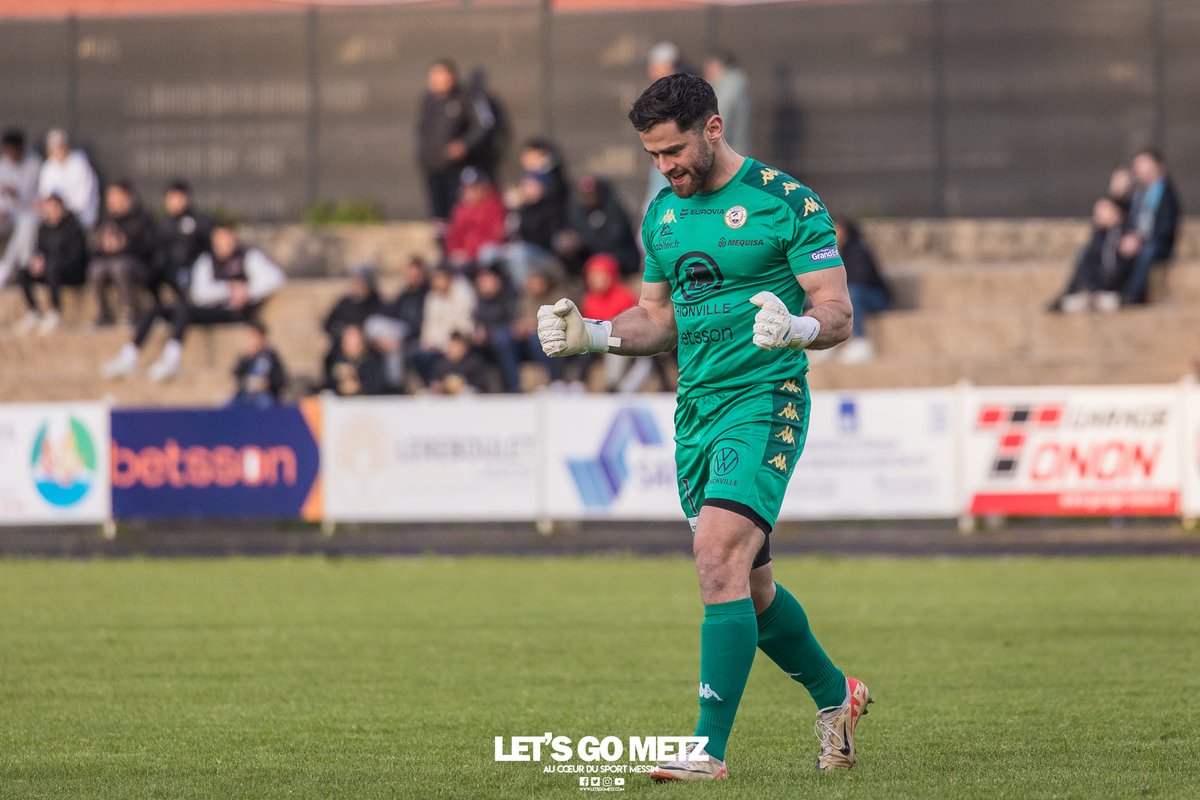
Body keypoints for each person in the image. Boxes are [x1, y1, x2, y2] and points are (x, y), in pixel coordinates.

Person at [536, 73, 870, 781]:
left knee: (717, 556)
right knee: (751, 591)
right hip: (696, 413)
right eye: (653, 156)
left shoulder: (787, 203)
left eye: (674, 151)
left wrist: (800, 328)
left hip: (765, 400)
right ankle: (835, 693)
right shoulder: (662, 214)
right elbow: (656, 319)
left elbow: (838, 311)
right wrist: (591, 336)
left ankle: (706, 750)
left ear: (713, 129)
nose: (666, 167)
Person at [103, 222, 285, 382]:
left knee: (185, 310)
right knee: (157, 309)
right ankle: (130, 354)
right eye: (218, 240)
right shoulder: (207, 260)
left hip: (232, 312)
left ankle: (172, 357)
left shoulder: (248, 257)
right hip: (209, 308)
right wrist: (228, 288)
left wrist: (248, 291)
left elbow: (275, 278)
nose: (222, 244)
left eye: (226, 239)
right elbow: (199, 292)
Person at [416, 59, 484, 222]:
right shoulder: (428, 101)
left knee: (458, 212)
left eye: (443, 78)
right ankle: (443, 245)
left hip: (457, 168)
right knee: (438, 215)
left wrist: (464, 144)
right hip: (432, 166)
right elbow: (422, 131)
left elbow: (483, 126)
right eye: (435, 78)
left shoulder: (465, 99)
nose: (439, 82)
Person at [13, 194, 88, 335]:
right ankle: (33, 311)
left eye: (53, 208)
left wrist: (50, 261)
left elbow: (76, 256)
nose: (49, 212)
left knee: (52, 267)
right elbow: (39, 249)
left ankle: (55, 312)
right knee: (24, 271)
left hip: (71, 271)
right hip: (49, 268)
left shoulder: (73, 227)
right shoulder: (43, 227)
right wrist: (37, 261)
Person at [87, 180, 157, 326]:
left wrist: (125, 244)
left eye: (116, 197)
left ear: (127, 198)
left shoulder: (142, 217)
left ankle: (131, 311)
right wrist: (103, 245)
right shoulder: (106, 220)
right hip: (108, 263)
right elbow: (93, 245)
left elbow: (150, 247)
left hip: (139, 266)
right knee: (96, 268)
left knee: (120, 267)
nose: (112, 201)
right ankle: (104, 313)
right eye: (110, 197)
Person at [1049, 197, 1132, 314]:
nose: (1098, 213)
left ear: (1116, 211)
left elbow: (1116, 267)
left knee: (1107, 302)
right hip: (1096, 289)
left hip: (1116, 290)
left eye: (1103, 208)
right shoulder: (1099, 237)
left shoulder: (1127, 235)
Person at [1120, 148, 1181, 305]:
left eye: (1146, 165)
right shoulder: (1136, 194)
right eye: (1138, 167)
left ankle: (1132, 296)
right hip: (1137, 239)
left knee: (1148, 251)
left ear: (1158, 166)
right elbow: (1124, 220)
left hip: (1158, 242)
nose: (1142, 171)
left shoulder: (1166, 192)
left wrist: (1141, 240)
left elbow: (1166, 227)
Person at [554, 175, 641, 277]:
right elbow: (570, 231)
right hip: (589, 256)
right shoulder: (577, 211)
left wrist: (583, 241)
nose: (589, 198)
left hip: (620, 257)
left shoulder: (614, 210)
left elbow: (613, 240)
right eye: (585, 195)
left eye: (592, 194)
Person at [833, 217, 890, 362]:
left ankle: (861, 341)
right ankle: (826, 343)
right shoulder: (830, 254)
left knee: (852, 294)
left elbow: (862, 278)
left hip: (875, 297)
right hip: (850, 296)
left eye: (837, 230)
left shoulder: (858, 251)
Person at [412, 265, 475, 386]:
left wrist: (449, 343)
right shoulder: (431, 297)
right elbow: (428, 324)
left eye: (440, 279)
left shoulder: (462, 293)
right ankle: (433, 386)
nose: (437, 283)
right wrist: (428, 341)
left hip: (458, 340)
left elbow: (463, 323)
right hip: (437, 343)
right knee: (417, 356)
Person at [0, 128, 43, 286]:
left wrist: (16, 194)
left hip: (30, 213)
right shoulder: (3, 165)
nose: (10, 155)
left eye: (13, 151)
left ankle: (11, 270)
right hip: (7, 214)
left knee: (25, 225)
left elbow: (37, 199)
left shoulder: (34, 164)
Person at [443, 167, 506, 269]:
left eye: (474, 188)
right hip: (464, 256)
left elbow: (496, 237)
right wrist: (455, 251)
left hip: (485, 256)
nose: (469, 192)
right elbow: (453, 236)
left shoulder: (495, 205)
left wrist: (470, 253)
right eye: (466, 188)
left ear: (484, 187)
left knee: (489, 253)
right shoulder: (459, 210)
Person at [36, 129, 99, 229]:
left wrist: (62, 210)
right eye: (53, 148)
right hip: (55, 215)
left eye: (59, 146)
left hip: (79, 215)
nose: (57, 150)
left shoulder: (80, 162)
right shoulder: (48, 166)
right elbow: (45, 195)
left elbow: (83, 200)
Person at [229, 321, 287, 407]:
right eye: (251, 337)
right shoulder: (246, 357)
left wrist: (267, 384)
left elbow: (280, 380)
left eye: (255, 336)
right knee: (230, 405)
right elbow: (236, 375)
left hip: (264, 395)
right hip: (246, 394)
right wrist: (247, 358)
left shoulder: (271, 356)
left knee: (266, 403)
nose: (253, 340)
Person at [704, 51, 752, 154]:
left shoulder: (727, 91)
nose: (707, 73)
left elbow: (722, 123)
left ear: (718, 66)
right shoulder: (737, 86)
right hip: (737, 151)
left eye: (709, 68)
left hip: (727, 154)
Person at [324, 323, 390, 396]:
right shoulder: (334, 358)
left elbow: (377, 385)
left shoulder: (373, 360)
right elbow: (327, 381)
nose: (350, 343)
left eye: (354, 339)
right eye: (347, 338)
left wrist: (357, 376)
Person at [429, 331, 497, 395]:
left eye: (458, 345)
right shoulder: (441, 365)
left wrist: (463, 387)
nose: (454, 349)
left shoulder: (473, 363)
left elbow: (481, 386)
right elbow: (434, 383)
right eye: (452, 346)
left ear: (464, 347)